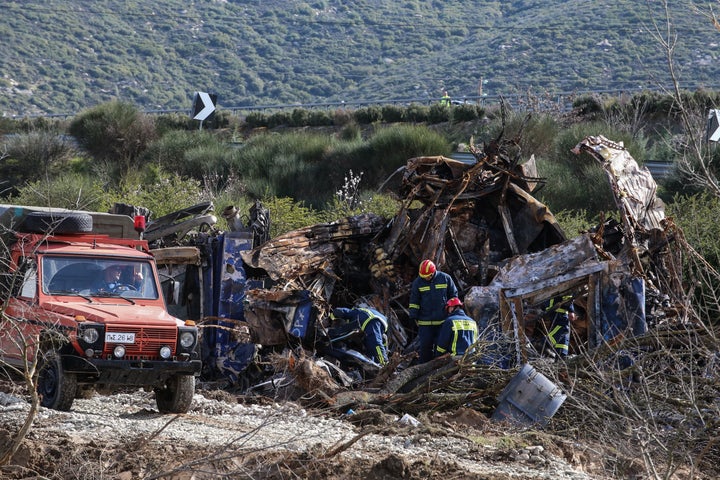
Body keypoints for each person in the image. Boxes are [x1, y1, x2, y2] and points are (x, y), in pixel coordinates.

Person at [409, 259, 458, 363]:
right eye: (423, 277)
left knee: (441, 347)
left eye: (427, 276)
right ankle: (424, 370)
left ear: (433, 273)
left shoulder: (445, 278)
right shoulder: (418, 282)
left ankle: (440, 370)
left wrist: (451, 313)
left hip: (442, 322)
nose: (425, 278)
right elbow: (414, 301)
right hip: (425, 322)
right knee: (425, 348)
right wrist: (413, 315)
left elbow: (453, 297)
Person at [542, 294, 575, 360]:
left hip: (556, 310)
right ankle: (544, 343)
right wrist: (571, 310)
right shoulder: (566, 286)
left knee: (564, 335)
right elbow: (567, 296)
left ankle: (561, 354)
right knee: (563, 329)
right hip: (559, 311)